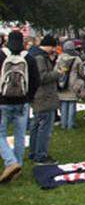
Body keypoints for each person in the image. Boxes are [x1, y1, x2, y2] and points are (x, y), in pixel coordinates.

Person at [0, 31, 40, 182]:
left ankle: (10, 162)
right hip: (22, 102)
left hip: (3, 101)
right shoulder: (28, 58)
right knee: (20, 135)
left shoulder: (1, 56)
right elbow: (36, 80)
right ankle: (18, 166)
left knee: (1, 134)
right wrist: (29, 97)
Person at [30, 35, 61, 165]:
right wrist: (58, 73)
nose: (54, 50)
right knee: (44, 128)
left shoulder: (35, 55)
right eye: (53, 47)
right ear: (49, 46)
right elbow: (42, 77)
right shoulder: (40, 58)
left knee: (36, 126)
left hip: (38, 97)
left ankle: (34, 152)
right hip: (44, 97)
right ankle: (41, 155)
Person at [56, 40, 84, 130]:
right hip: (73, 82)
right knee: (72, 103)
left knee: (63, 103)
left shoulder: (60, 58)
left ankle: (63, 123)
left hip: (62, 82)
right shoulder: (77, 59)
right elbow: (81, 71)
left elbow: (56, 70)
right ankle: (71, 124)